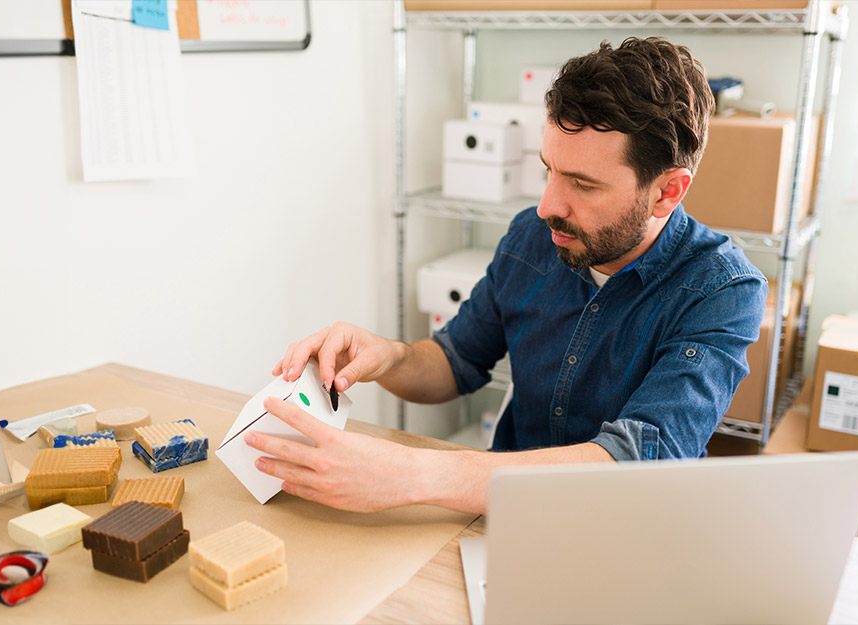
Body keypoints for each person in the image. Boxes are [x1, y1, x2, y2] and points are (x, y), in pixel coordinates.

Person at [246, 37, 767, 515]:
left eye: (582, 184)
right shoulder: (531, 237)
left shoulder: (723, 292)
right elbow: (456, 361)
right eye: (549, 170)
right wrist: (388, 357)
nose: (547, 206)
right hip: (504, 514)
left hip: (627, 529)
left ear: (667, 191)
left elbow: (640, 460)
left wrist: (410, 474)